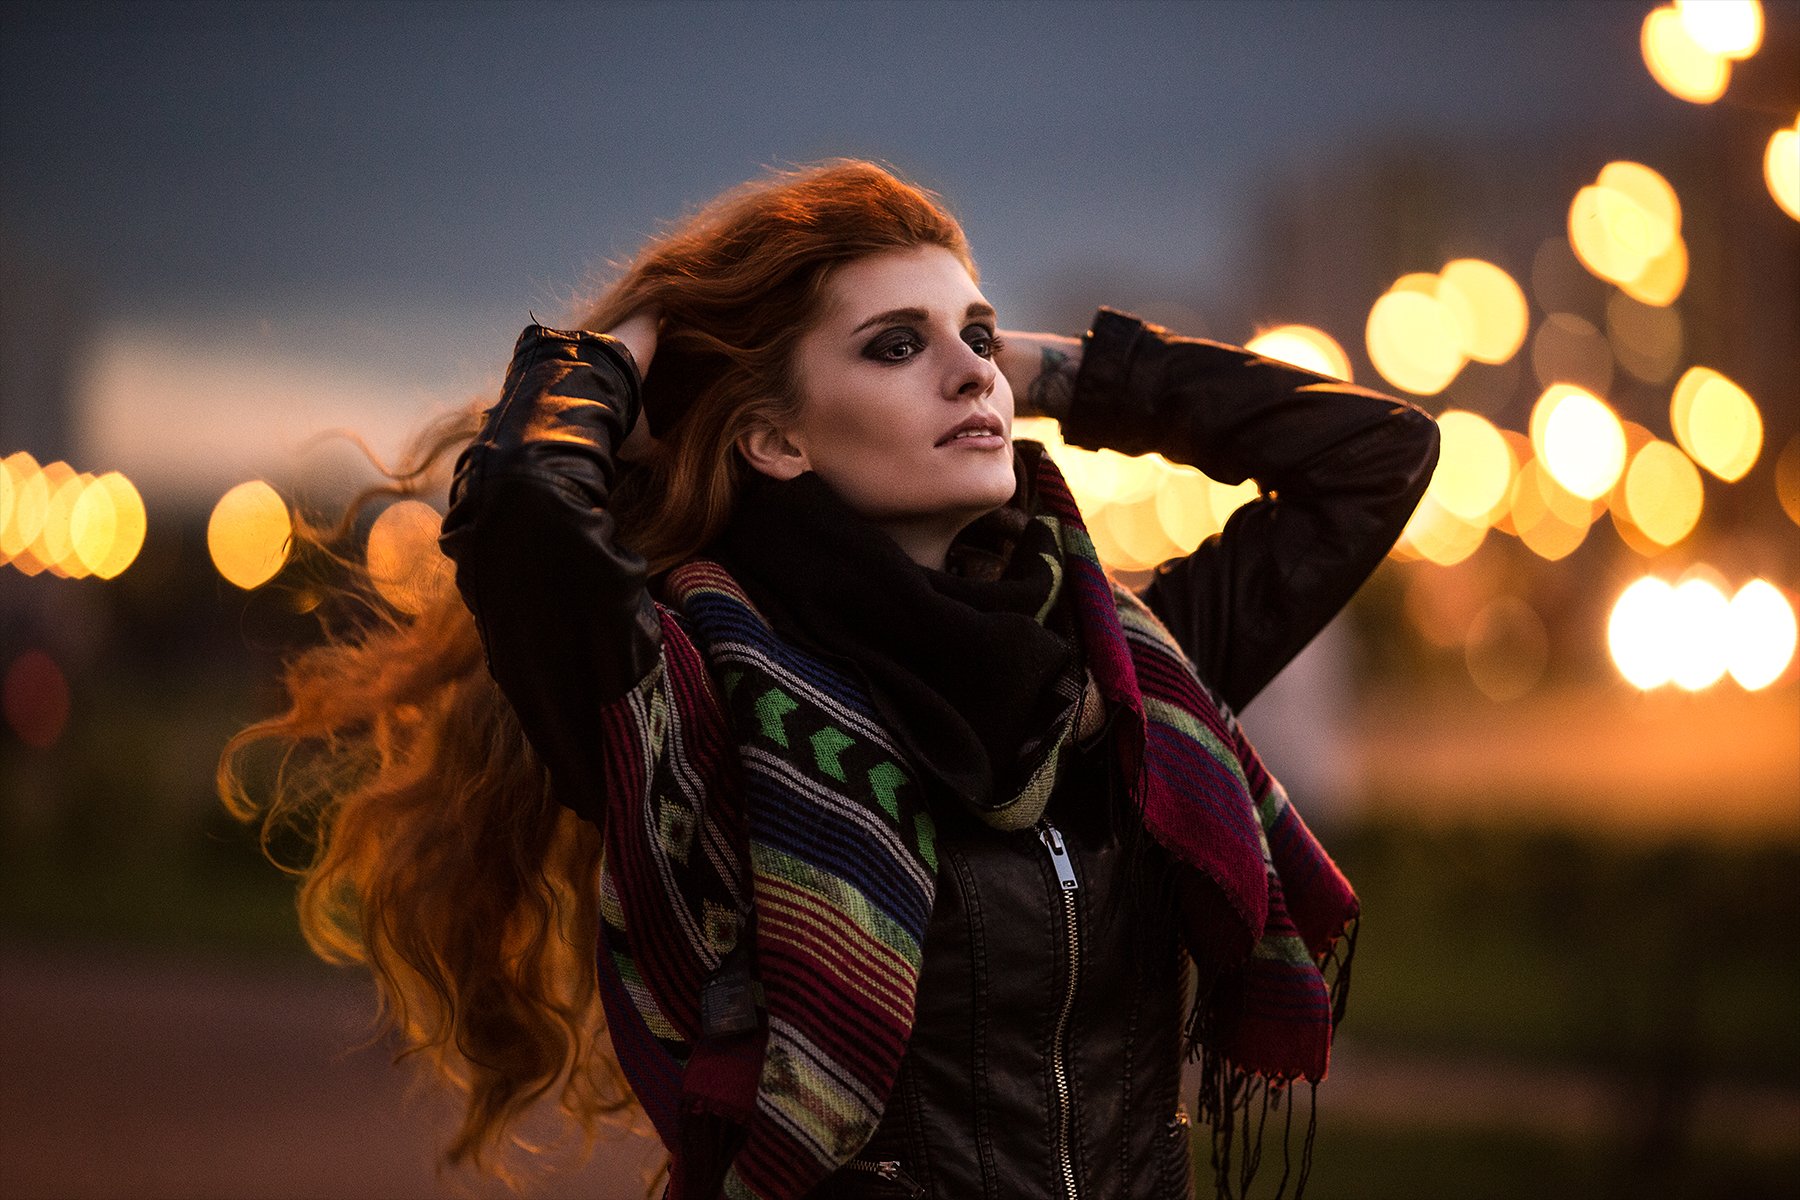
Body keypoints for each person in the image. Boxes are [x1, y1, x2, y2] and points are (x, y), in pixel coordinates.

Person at [220, 160, 1438, 1200]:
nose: (971, 377)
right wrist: (618, 353)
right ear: (775, 437)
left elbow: (1380, 458)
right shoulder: (692, 707)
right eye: (896, 347)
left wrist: (1062, 372)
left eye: (978, 336)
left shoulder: (1121, 676)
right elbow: (530, 508)